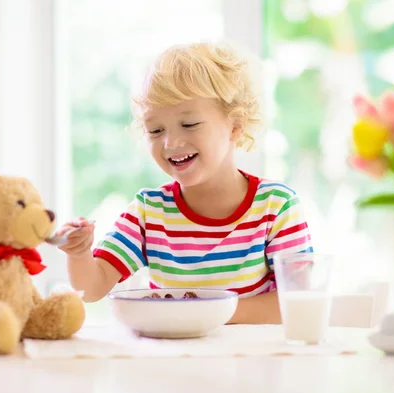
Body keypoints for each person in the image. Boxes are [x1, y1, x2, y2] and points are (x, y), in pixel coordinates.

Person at [57, 41, 313, 324]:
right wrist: (80, 253)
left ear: (235, 126)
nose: (171, 142)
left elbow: (297, 301)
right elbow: (92, 289)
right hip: (172, 362)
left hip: (251, 362)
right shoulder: (149, 211)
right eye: (155, 130)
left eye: (189, 124)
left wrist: (207, 313)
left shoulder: (276, 206)